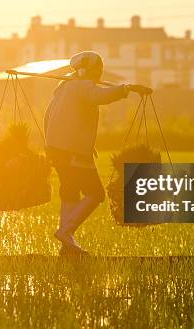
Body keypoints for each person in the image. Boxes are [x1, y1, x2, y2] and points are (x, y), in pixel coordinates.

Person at [44, 51, 151, 255]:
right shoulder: (83, 86)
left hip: (57, 148)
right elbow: (100, 96)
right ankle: (66, 231)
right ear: (92, 70)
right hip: (72, 151)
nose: (100, 73)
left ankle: (67, 244)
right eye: (99, 69)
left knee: (70, 191)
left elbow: (49, 116)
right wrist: (127, 88)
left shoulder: (64, 86)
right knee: (95, 193)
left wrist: (58, 143)